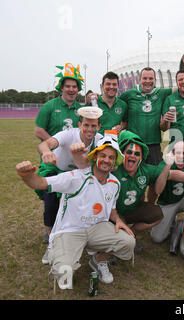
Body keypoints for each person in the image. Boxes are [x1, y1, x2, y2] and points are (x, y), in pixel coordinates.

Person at [16, 136, 135, 289]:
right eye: (103, 155)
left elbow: (111, 208)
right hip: (70, 230)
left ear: (115, 162)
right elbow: (40, 183)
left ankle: (98, 260)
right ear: (95, 157)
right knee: (64, 275)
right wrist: (26, 176)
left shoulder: (115, 183)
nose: (107, 160)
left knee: (128, 242)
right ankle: (55, 248)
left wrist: (118, 220)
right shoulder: (77, 177)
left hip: (96, 228)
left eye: (111, 157)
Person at [37, 106, 104, 250]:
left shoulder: (100, 140)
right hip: (57, 169)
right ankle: (49, 235)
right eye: (86, 125)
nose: (90, 129)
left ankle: (78, 233)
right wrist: (47, 152)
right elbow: (44, 144)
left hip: (79, 174)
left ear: (99, 126)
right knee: (51, 202)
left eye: (93, 125)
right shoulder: (68, 134)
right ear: (79, 125)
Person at [119, 56, 184, 166]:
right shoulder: (129, 94)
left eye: (150, 79)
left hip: (153, 145)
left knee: (155, 177)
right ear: (140, 80)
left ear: (155, 80)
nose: (147, 81)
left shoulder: (160, 93)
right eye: (145, 78)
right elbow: (115, 104)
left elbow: (180, 86)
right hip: (133, 143)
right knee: (132, 175)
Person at [150, 141, 184, 255]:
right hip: (167, 202)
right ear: (172, 153)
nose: (180, 156)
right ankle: (173, 223)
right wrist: (168, 166)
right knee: (157, 238)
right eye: (177, 153)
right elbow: (158, 190)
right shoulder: (164, 164)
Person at [35, 63, 84, 141]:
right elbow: (38, 131)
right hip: (53, 152)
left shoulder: (81, 110)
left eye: (74, 87)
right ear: (62, 88)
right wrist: (56, 144)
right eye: (67, 86)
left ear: (78, 89)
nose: (71, 89)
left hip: (73, 152)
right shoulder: (49, 106)